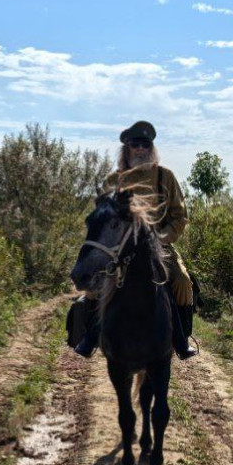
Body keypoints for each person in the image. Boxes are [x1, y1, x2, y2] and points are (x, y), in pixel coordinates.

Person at [74, 120, 198, 360]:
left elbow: (180, 217)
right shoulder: (114, 181)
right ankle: (89, 337)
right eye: (135, 144)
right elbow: (102, 219)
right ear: (126, 148)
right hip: (118, 249)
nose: (140, 149)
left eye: (145, 144)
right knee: (93, 286)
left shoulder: (166, 177)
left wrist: (160, 238)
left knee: (182, 282)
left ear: (151, 147)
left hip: (160, 246)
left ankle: (181, 340)